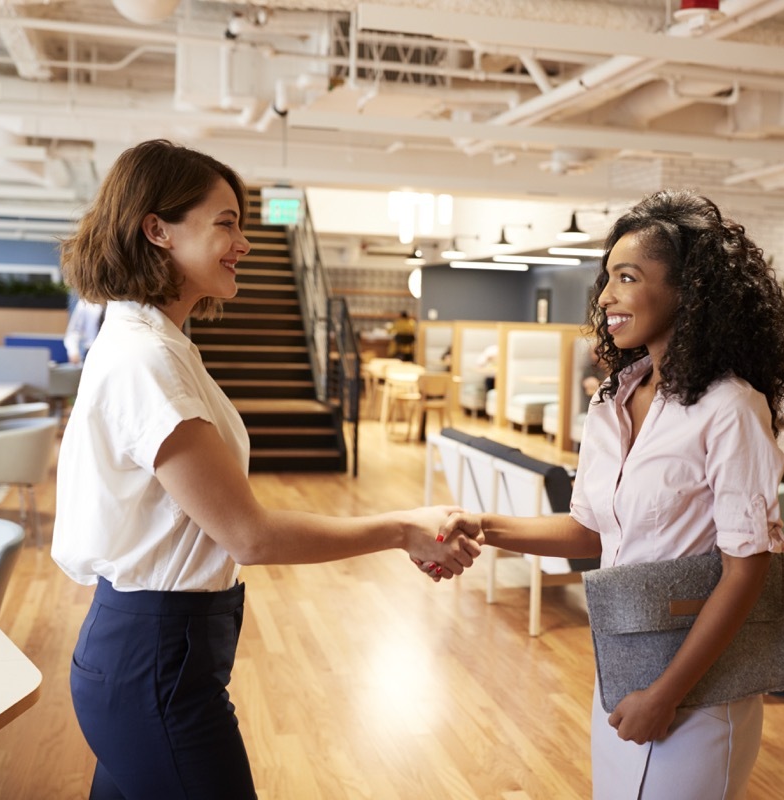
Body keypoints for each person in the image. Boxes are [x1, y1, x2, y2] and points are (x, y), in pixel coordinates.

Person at [51, 139, 480, 800]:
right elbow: (248, 536)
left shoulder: (158, 344)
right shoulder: (147, 359)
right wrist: (402, 528)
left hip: (149, 655)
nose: (243, 243)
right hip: (155, 661)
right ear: (157, 229)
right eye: (226, 223)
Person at [442, 190, 784, 798]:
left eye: (626, 277)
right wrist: (484, 526)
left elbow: (747, 570)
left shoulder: (731, 408)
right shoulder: (611, 400)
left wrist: (666, 697)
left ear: (689, 292)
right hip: (623, 661)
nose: (605, 296)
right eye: (607, 277)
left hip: (697, 689)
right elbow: (589, 529)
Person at [63, 296, 105, 364]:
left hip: (111, 352)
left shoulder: (118, 304)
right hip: (90, 353)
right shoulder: (86, 303)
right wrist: (73, 352)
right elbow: (73, 331)